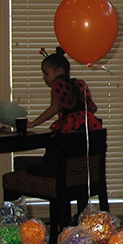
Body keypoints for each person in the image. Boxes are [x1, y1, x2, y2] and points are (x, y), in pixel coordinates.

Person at [24, 47, 103, 176]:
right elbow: (93, 108)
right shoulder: (79, 84)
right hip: (87, 124)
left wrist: (33, 123)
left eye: (46, 73)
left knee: (55, 147)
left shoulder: (57, 85)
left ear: (59, 71)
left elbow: (54, 108)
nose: (43, 77)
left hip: (70, 128)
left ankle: (52, 171)